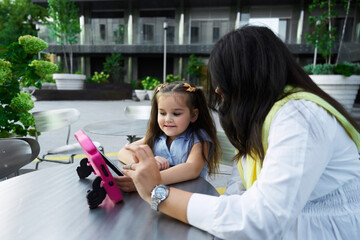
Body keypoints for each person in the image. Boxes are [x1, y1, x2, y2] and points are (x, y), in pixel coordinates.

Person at [121, 25, 360, 239]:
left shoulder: (300, 117)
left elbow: (261, 220)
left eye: (222, 83)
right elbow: (240, 187)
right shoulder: (265, 118)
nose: (217, 90)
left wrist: (157, 193)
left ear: (246, 79)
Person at [115, 81, 221, 192]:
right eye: (162, 113)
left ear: (193, 115)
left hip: (189, 198)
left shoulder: (199, 138)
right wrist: (147, 163)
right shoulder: (156, 135)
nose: (168, 119)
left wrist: (150, 180)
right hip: (158, 195)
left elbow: (192, 168)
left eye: (176, 114)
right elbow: (123, 152)